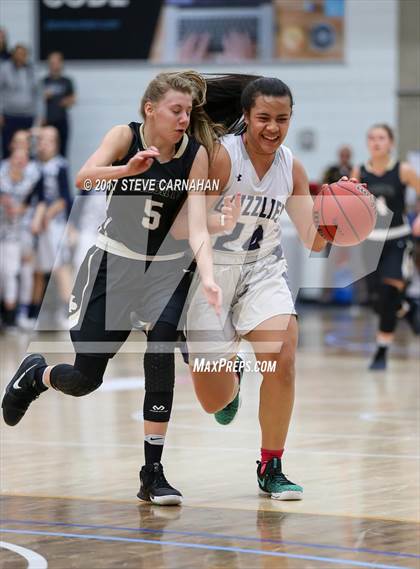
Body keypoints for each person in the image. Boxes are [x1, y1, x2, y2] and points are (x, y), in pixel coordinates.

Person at [1, 70, 223, 506]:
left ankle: (152, 472)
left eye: (188, 112)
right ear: (151, 110)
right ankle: (37, 374)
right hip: (112, 267)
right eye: (176, 110)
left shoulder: (194, 155)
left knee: (161, 351)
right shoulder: (126, 136)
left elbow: (196, 224)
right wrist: (125, 169)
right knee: (85, 379)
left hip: (163, 271)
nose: (183, 119)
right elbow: (84, 178)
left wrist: (210, 275)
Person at [186, 76, 329, 500]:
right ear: (245, 117)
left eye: (282, 119)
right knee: (214, 402)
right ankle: (229, 381)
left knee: (282, 357)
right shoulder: (220, 159)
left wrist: (342, 223)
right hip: (211, 274)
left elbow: (312, 238)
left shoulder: (291, 166)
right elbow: (189, 225)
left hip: (263, 271)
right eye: (264, 117)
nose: (273, 127)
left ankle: (272, 465)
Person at [352, 124, 420, 370]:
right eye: (371, 138)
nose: (376, 142)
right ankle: (407, 308)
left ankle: (381, 351)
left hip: (397, 239)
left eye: (381, 138)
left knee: (389, 293)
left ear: (390, 143)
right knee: (376, 299)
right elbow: (350, 205)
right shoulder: (359, 172)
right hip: (369, 242)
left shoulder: (403, 170)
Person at [0, 45, 40, 158]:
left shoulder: (32, 70)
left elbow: (38, 94)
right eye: (18, 53)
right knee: (8, 147)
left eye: (24, 54)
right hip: (9, 115)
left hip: (28, 115)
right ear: (13, 54)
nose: (21, 56)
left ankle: (28, 173)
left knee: (28, 148)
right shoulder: (4, 68)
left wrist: (40, 115)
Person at [42, 52, 76, 157]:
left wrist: (67, 101)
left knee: (62, 150)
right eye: (52, 62)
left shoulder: (67, 81)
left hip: (61, 119)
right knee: (46, 149)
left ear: (61, 63)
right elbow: (37, 100)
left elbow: (73, 99)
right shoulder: (44, 81)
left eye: (57, 62)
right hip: (47, 120)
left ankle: (61, 172)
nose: (54, 65)